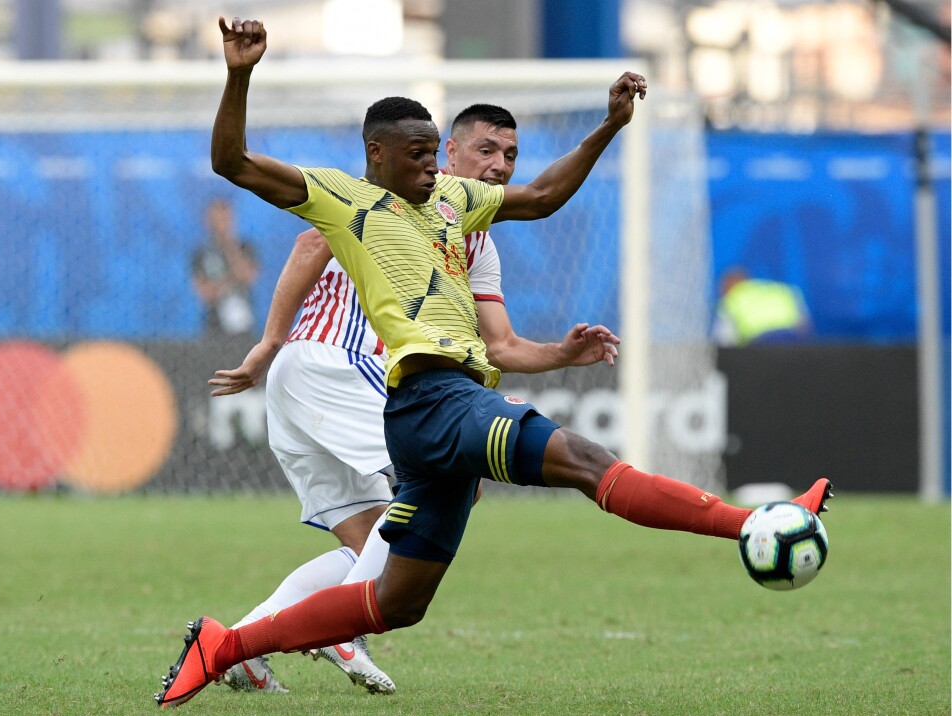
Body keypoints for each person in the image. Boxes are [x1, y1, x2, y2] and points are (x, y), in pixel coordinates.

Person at [155, 17, 833, 708]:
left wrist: (605, 129)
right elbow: (232, 162)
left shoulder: (456, 203)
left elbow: (539, 198)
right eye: (418, 155)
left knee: (393, 602)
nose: (429, 167)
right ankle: (755, 522)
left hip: (431, 418)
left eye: (432, 155)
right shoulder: (344, 199)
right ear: (378, 154)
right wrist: (239, 74)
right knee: (587, 461)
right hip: (433, 402)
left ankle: (226, 644)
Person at [208, 102, 621, 696]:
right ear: (447, 154)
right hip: (336, 365)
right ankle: (343, 626)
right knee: (456, 477)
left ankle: (240, 646)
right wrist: (269, 342)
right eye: (486, 151)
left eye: (510, 156)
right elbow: (307, 245)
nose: (500, 166)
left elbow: (499, 345)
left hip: (311, 387)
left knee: (374, 538)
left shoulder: (474, 240)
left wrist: (560, 353)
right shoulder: (383, 198)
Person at [191, 197, 259, 336]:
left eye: (225, 219)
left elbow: (247, 277)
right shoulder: (202, 253)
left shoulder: (245, 248)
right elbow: (204, 293)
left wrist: (229, 245)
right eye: (217, 220)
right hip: (214, 324)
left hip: (243, 321)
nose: (221, 225)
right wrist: (227, 286)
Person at [712, 268, 812, 346]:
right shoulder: (782, 290)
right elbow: (804, 325)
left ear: (727, 286)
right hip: (793, 341)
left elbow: (724, 341)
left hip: (760, 344)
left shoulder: (732, 299)